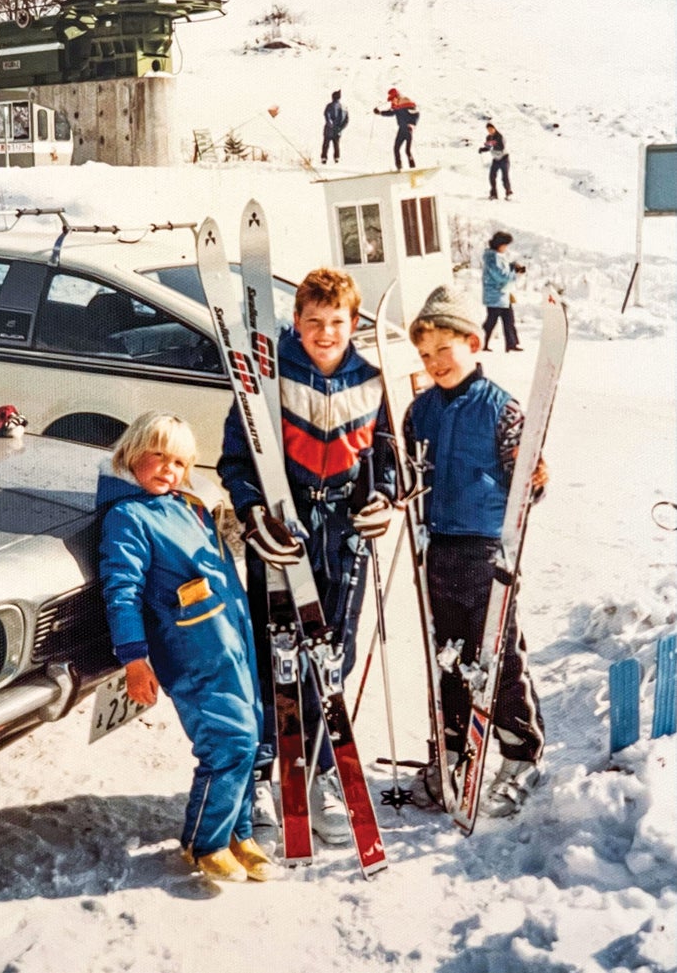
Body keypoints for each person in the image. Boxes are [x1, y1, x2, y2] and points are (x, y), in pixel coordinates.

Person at [218, 268, 396, 849]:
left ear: (353, 323)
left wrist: (383, 498)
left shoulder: (372, 378)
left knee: (329, 656)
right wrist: (252, 516)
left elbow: (388, 456)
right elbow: (236, 461)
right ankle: (265, 777)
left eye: (336, 322)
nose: (324, 332)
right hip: (281, 528)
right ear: (296, 321)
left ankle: (320, 774)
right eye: (313, 321)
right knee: (275, 658)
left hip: (342, 534)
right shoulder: (264, 375)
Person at [97, 411, 279, 883]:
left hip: (232, 643)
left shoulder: (188, 506)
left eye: (178, 461)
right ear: (133, 453)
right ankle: (206, 841)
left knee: (250, 737)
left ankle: (240, 834)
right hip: (191, 653)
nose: (167, 469)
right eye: (157, 455)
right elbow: (122, 591)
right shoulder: (127, 516)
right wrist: (134, 659)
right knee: (228, 743)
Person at [403, 284, 546, 817]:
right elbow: (408, 472)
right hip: (438, 551)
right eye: (425, 354)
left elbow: (528, 482)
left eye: (445, 349)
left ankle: (521, 753)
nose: (436, 361)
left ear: (474, 343)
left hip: (488, 553)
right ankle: (457, 751)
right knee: (451, 659)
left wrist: (534, 477)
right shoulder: (419, 412)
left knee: (498, 657)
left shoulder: (501, 409)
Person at [481, 230, 526, 352]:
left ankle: (511, 344)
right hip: (495, 296)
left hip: (502, 295)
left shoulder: (497, 256)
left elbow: (503, 270)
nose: (506, 248)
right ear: (499, 244)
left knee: (508, 320)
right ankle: (481, 342)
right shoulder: (493, 257)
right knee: (491, 322)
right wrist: (514, 272)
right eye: (505, 245)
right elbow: (500, 276)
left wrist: (512, 266)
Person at [374, 88, 419, 170]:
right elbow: (391, 113)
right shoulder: (396, 106)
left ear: (397, 96)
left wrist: (412, 124)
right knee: (396, 148)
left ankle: (413, 168)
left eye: (392, 99)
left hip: (408, 129)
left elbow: (416, 114)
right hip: (401, 129)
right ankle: (399, 167)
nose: (391, 101)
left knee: (407, 150)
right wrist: (380, 112)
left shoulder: (406, 101)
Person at [478, 122, 512, 200]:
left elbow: (501, 147)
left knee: (505, 177)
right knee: (491, 177)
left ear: (494, 128)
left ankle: (508, 193)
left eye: (491, 129)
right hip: (496, 160)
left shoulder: (500, 136)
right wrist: (482, 149)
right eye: (488, 129)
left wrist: (492, 144)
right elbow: (488, 147)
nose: (490, 131)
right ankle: (494, 194)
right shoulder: (488, 138)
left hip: (504, 159)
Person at [321, 89, 349, 164]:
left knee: (326, 144)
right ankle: (337, 158)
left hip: (329, 130)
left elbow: (327, 116)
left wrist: (331, 125)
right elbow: (346, 120)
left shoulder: (329, 106)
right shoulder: (344, 107)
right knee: (336, 144)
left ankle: (324, 158)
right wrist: (340, 128)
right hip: (338, 130)